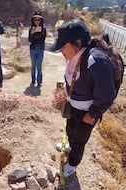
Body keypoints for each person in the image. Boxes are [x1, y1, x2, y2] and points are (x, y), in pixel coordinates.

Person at [50, 20, 116, 177]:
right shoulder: (76, 56)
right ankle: (69, 148)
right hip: (73, 105)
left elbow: (108, 94)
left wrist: (93, 114)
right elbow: (72, 78)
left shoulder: (96, 61)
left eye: (63, 46)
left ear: (77, 43)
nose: (60, 50)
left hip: (87, 112)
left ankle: (72, 164)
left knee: (80, 139)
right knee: (70, 130)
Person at [28, 11, 46, 87]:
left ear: (41, 20)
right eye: (35, 20)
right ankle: (33, 80)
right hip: (33, 49)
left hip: (40, 49)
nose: (37, 21)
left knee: (39, 65)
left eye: (38, 20)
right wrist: (32, 33)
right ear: (33, 20)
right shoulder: (31, 29)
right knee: (33, 65)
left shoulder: (43, 29)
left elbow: (43, 39)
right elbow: (30, 40)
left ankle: (39, 81)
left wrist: (39, 33)